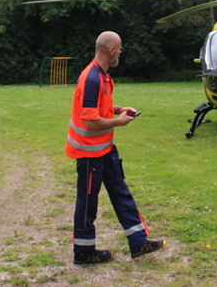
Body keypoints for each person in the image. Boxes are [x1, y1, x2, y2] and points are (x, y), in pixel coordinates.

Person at [67, 31, 165, 265]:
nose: (120, 52)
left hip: (105, 150)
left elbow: (100, 108)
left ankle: (139, 241)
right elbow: (90, 122)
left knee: (121, 193)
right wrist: (119, 122)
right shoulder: (91, 79)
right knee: (87, 203)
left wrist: (118, 110)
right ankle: (83, 252)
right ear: (111, 50)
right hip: (90, 153)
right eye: (119, 48)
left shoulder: (101, 76)